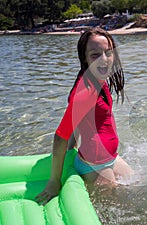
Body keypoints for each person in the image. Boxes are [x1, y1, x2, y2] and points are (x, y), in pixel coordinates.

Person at [36, 27, 133, 205]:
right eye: (95, 55)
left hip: (109, 157)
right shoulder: (86, 91)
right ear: (85, 58)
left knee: (135, 183)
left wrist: (71, 148)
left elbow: (79, 121)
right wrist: (54, 181)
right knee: (114, 208)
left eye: (108, 53)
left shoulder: (97, 79)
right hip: (96, 165)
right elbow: (60, 136)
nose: (104, 60)